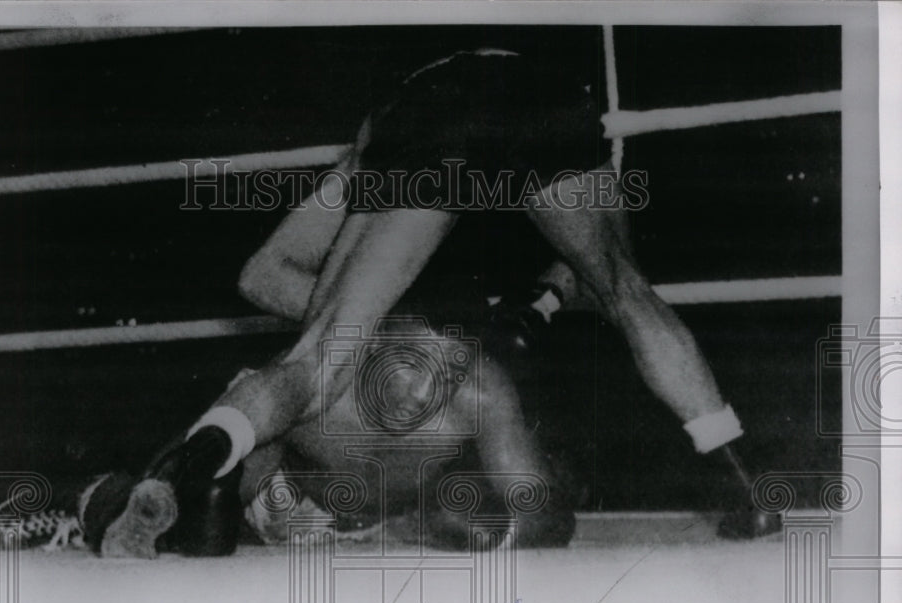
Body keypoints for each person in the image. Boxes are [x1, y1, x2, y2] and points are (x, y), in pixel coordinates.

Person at [92, 48, 778, 556]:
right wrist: (403, 322)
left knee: (320, 359)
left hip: (437, 109)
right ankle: (748, 488)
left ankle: (183, 474)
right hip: (546, 92)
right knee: (627, 292)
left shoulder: (403, 124)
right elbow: (263, 277)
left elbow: (264, 275)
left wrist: (365, 319)